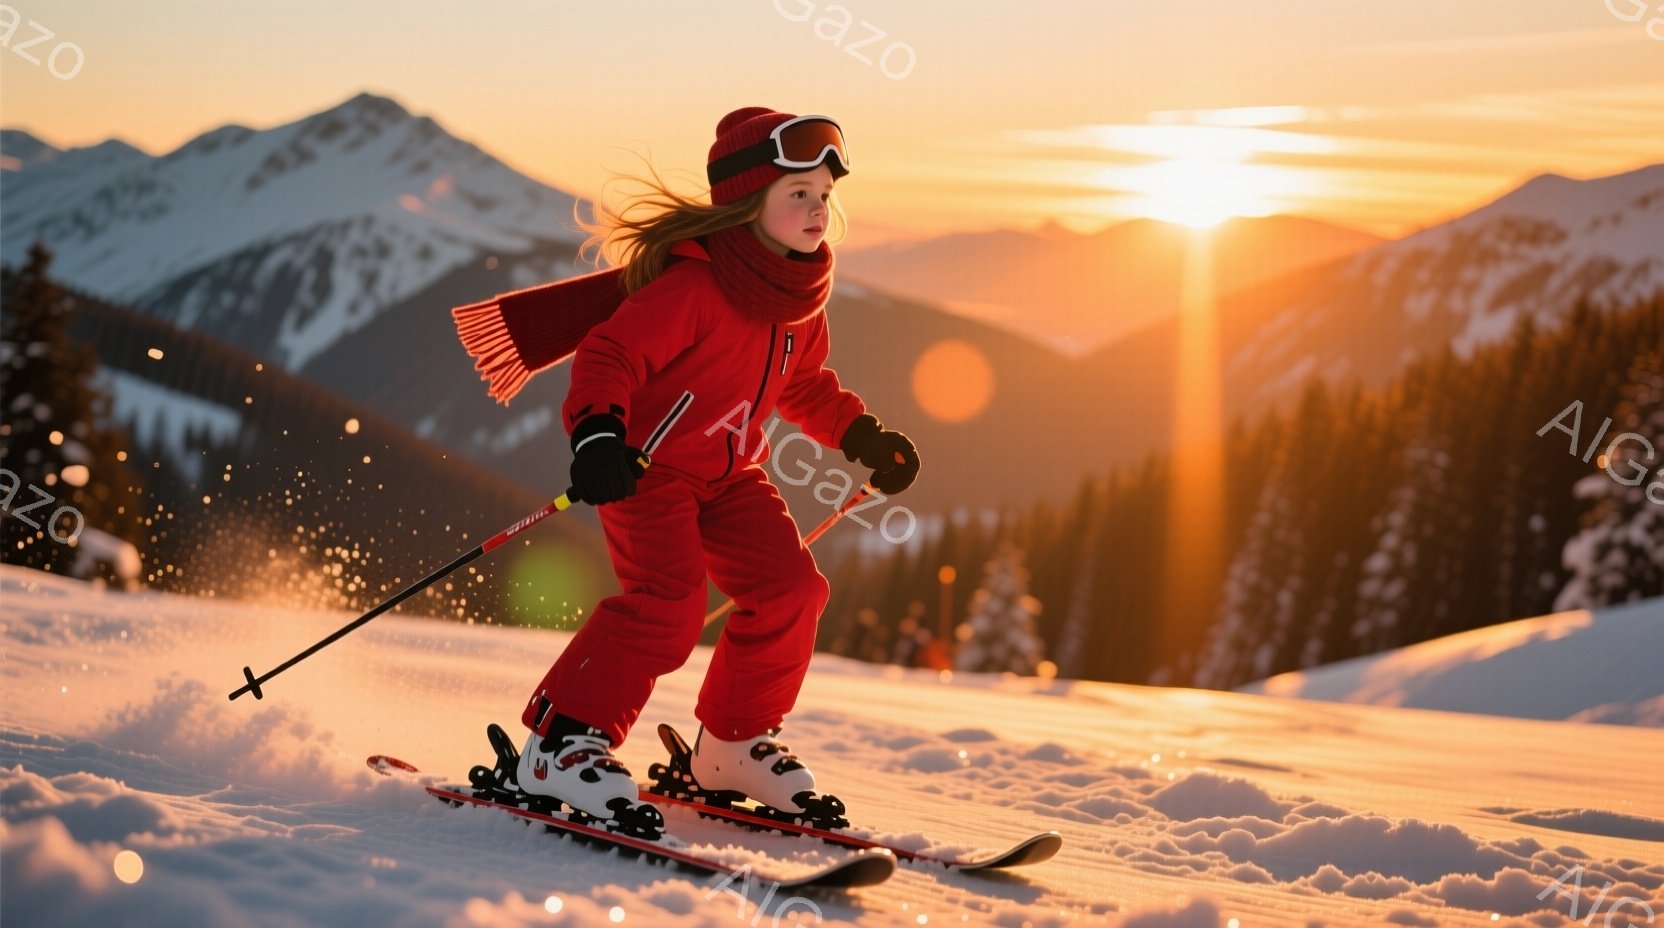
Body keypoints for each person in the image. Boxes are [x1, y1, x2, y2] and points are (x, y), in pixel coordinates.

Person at [450, 107, 921, 827]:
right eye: (798, 193)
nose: (818, 210)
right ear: (746, 200)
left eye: (824, 196)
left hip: (731, 476)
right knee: (669, 604)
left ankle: (730, 746)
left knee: (793, 589)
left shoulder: (798, 298)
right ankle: (559, 744)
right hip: (648, 469)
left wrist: (859, 434)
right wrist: (599, 437)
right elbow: (610, 357)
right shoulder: (697, 288)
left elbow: (802, 383)